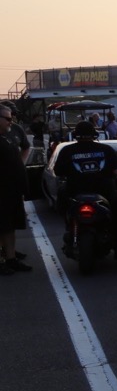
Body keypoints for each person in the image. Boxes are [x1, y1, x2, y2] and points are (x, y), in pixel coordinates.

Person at [53, 121, 117, 254]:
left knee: (63, 202)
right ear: (94, 135)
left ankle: (70, 227)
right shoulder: (106, 149)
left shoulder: (67, 150)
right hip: (105, 193)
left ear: (75, 135)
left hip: (75, 192)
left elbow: (58, 171)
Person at [0, 105, 33, 274]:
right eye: (7, 118)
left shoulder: (8, 137)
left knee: (9, 226)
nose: (10, 121)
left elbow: (24, 149)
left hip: (11, 191)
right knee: (3, 225)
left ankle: (11, 258)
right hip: (2, 191)